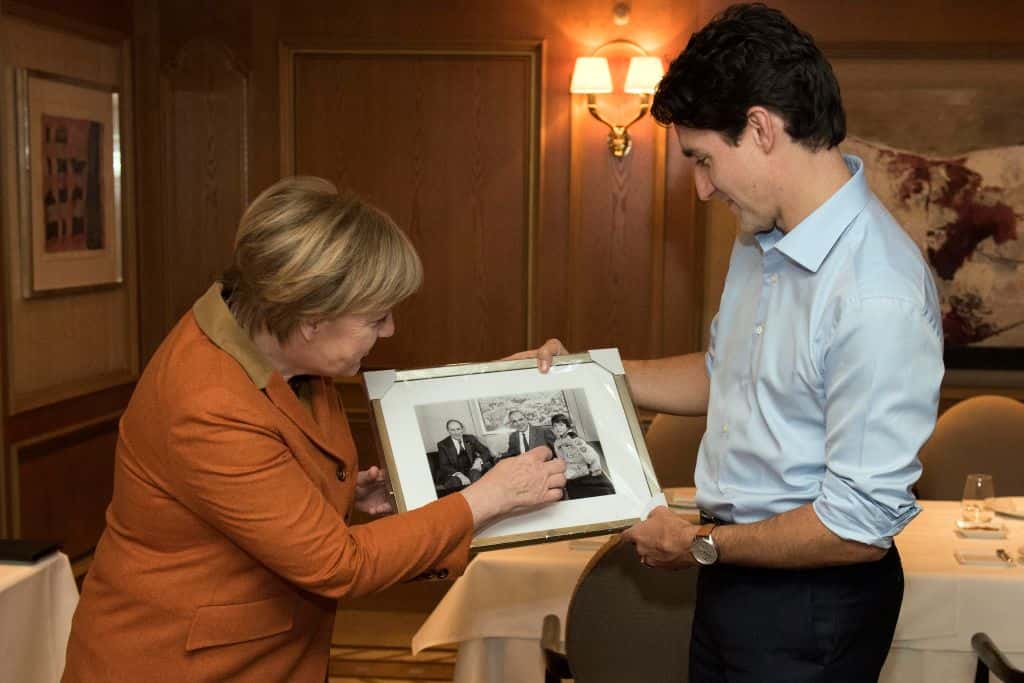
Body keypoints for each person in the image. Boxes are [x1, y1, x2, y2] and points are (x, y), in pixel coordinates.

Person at [520, 4, 944, 681]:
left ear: (761, 127)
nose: (701, 187)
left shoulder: (876, 292)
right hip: (734, 567)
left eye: (704, 159)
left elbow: (857, 526)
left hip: (811, 598)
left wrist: (698, 544)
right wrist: (585, 374)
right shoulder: (759, 236)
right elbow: (727, 374)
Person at [61, 177, 567, 682]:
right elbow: (337, 566)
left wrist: (338, 494)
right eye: (376, 317)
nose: (389, 330)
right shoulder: (208, 403)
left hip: (271, 651)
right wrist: (486, 498)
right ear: (312, 319)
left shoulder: (274, 339)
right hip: (182, 664)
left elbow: (268, 478)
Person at [549, 413, 615, 499]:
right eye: (555, 426)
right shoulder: (557, 442)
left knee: (597, 491)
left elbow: (589, 453)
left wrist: (595, 466)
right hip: (570, 471)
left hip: (582, 470)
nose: (558, 428)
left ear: (567, 426)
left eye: (561, 425)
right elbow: (561, 457)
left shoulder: (573, 438)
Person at [434, 418, 495, 492]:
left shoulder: (470, 438)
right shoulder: (443, 444)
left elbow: (485, 451)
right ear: (448, 431)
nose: (456, 432)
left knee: (475, 474)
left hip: (471, 468)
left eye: (458, 429)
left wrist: (478, 461)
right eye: (452, 430)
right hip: (455, 471)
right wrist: (459, 475)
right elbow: (444, 465)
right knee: (455, 482)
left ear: (462, 429)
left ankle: (478, 497)